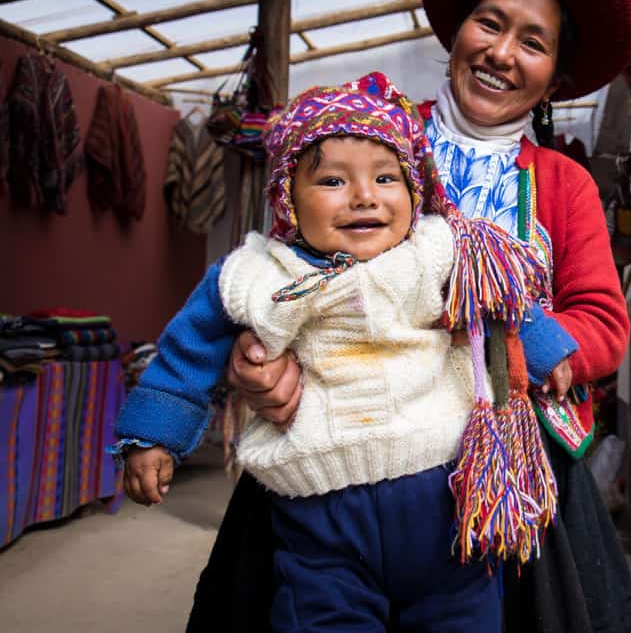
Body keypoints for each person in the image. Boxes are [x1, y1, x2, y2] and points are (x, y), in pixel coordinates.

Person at [188, 0, 631, 633]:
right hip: (340, 448)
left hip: (506, 471)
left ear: (556, 77)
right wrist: (256, 359)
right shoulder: (364, 144)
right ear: (458, 29)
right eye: (489, 24)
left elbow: (601, 323)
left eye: (532, 43)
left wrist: (509, 355)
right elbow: (278, 270)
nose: (502, 53)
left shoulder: (564, 184)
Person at [115, 74, 577, 633]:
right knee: (319, 619)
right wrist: (156, 433)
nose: (364, 196)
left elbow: (503, 299)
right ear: (287, 197)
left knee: (463, 617)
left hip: (443, 499)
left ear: (414, 191)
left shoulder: (438, 253)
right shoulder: (259, 275)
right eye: (332, 180)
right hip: (319, 516)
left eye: (386, 178)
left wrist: (548, 350)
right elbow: (190, 345)